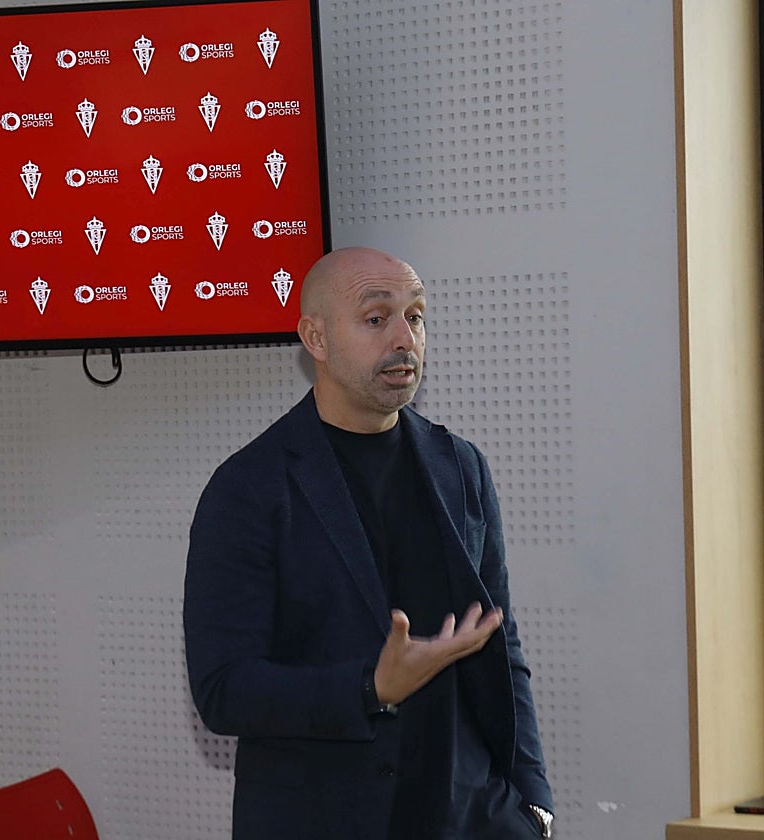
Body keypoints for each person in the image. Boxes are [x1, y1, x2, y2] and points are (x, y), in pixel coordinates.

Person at [183, 247, 554, 839]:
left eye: (416, 315)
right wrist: (369, 689)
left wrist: (533, 802)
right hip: (323, 820)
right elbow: (223, 690)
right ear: (317, 338)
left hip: (472, 819)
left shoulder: (460, 466)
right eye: (377, 319)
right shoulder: (248, 488)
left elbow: (499, 642)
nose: (405, 339)